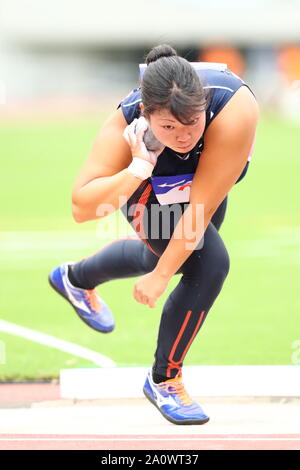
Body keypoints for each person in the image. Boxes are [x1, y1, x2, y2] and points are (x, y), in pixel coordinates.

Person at [49, 44, 258, 426]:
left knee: (165, 257)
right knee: (206, 264)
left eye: (193, 123)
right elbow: (82, 208)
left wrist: (161, 274)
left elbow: (198, 210)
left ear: (205, 105)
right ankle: (165, 379)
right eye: (169, 128)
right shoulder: (126, 123)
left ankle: (75, 278)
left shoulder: (234, 109)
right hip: (150, 179)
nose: (184, 136)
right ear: (146, 115)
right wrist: (138, 168)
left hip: (201, 180)